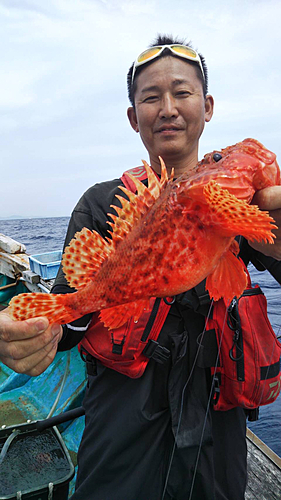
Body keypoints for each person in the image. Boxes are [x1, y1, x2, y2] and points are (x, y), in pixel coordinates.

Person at [0, 34, 281, 500]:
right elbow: (76, 312)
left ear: (206, 107)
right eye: (151, 97)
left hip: (217, 436)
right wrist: (35, 332)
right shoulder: (101, 203)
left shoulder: (241, 208)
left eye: (182, 92)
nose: (168, 107)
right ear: (135, 117)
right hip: (121, 430)